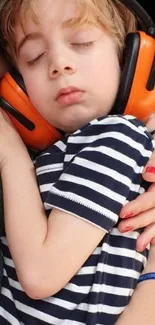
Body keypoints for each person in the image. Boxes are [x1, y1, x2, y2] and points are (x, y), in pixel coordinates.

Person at [1, 0, 155, 324]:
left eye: (82, 41)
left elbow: (40, 274)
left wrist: (10, 154)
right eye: (34, 57)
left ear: (130, 59)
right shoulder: (51, 152)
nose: (58, 63)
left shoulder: (117, 135)